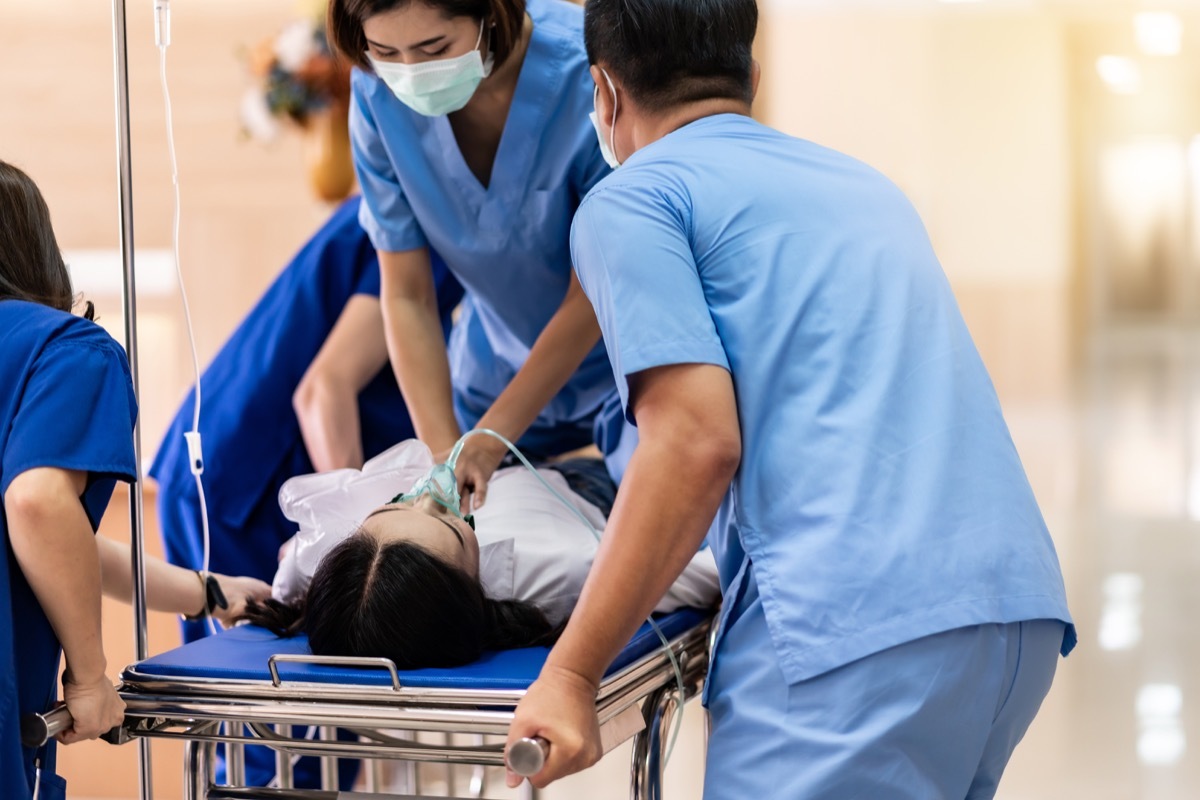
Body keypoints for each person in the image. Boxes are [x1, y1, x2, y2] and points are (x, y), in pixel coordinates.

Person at [504, 1, 1077, 797]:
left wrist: (569, 672)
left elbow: (695, 444)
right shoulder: (863, 185)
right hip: (1009, 617)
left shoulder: (634, 199)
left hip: (854, 639)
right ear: (752, 76)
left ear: (603, 92)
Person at [0, 160, 270, 800]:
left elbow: (47, 541)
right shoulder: (60, 348)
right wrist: (91, 680)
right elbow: (38, 505)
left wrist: (207, 591)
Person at [328, 0, 635, 509]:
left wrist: (494, 436)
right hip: (492, 372)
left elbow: (600, 284)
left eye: (434, 48)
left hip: (624, 369)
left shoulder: (588, 68)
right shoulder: (376, 95)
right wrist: (447, 457)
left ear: (490, 12)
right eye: (385, 51)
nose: (411, 72)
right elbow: (406, 295)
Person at [150, 197, 463, 645]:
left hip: (212, 471)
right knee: (277, 681)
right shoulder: (415, 236)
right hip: (247, 491)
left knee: (237, 691)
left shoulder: (377, 213)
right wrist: (357, 535)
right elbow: (322, 392)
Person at [242, 440, 719, 669]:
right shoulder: (571, 570)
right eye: (451, 522)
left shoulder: (338, 566)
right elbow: (711, 575)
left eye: (397, 504)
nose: (430, 491)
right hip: (583, 487)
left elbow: (294, 574)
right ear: (475, 584)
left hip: (504, 460)